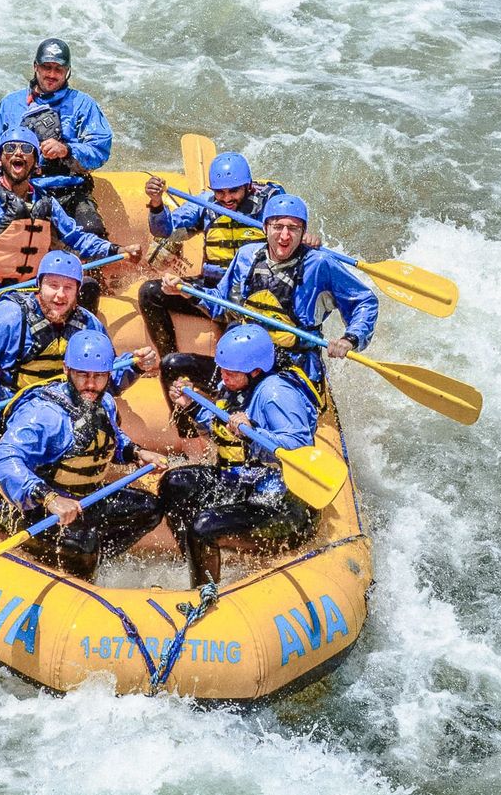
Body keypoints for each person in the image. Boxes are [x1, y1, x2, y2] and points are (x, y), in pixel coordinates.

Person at [0, 331, 168, 580]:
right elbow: (3, 459)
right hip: (32, 508)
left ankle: (93, 560)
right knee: (84, 545)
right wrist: (49, 499)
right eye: (83, 375)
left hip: (83, 499)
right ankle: (79, 566)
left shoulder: (105, 403)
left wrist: (135, 453)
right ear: (67, 370)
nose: (91, 385)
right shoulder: (43, 414)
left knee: (150, 508)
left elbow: (107, 440)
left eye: (99, 376)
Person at [157, 194, 377, 395]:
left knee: (265, 400)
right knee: (172, 365)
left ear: (303, 232)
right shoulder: (247, 256)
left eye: (293, 228)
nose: (284, 235)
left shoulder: (319, 265)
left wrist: (350, 339)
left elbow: (364, 301)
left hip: (292, 368)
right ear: (265, 227)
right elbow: (221, 303)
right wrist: (187, 292)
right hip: (245, 362)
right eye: (278, 226)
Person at [160, 325, 321, 587]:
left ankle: (204, 592)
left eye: (229, 372)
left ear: (255, 371)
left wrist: (254, 432)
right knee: (174, 483)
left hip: (280, 507)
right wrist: (191, 408)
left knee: (202, 528)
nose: (222, 376)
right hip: (242, 486)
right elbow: (224, 432)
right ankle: (197, 561)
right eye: (222, 368)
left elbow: (299, 447)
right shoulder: (235, 384)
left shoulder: (275, 394)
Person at [0, 250, 158, 440]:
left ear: (78, 291)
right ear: (40, 285)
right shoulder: (11, 315)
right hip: (12, 401)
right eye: (53, 285)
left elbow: (104, 379)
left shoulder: (88, 324)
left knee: (105, 419)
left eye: (68, 287)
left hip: (62, 403)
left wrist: (134, 365)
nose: (60, 295)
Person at [0, 125, 136, 319]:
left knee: (88, 287)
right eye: (10, 148)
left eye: (26, 149)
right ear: (0, 159)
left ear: (36, 164)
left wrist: (116, 250)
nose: (18, 153)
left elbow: (77, 238)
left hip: (30, 290)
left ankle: (72, 343)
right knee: (11, 315)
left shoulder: (45, 202)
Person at [137, 151, 318, 360]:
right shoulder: (206, 203)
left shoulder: (269, 204)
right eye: (220, 192)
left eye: (233, 191)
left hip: (251, 293)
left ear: (248, 186)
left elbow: (291, 231)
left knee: (239, 343)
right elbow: (164, 230)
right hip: (212, 288)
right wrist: (157, 204)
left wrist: (308, 239)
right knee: (150, 293)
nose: (226, 199)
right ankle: (170, 361)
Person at [0, 38, 112, 237]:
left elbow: (100, 150)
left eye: (58, 69)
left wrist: (67, 150)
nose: (52, 75)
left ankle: (90, 265)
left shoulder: (83, 104)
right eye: (46, 67)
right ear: (36, 67)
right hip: (20, 191)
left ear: (67, 71)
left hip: (69, 191)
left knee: (91, 231)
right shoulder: (10, 104)